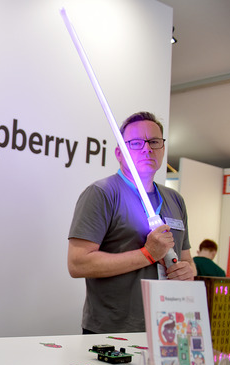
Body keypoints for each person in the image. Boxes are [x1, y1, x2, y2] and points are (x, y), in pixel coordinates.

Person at [67, 111, 195, 334]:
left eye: (154, 142)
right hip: (112, 332)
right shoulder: (102, 193)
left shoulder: (175, 199)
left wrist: (188, 271)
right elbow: (78, 264)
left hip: (168, 329)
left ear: (163, 148)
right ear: (119, 153)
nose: (147, 149)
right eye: (136, 143)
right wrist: (147, 254)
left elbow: (187, 260)